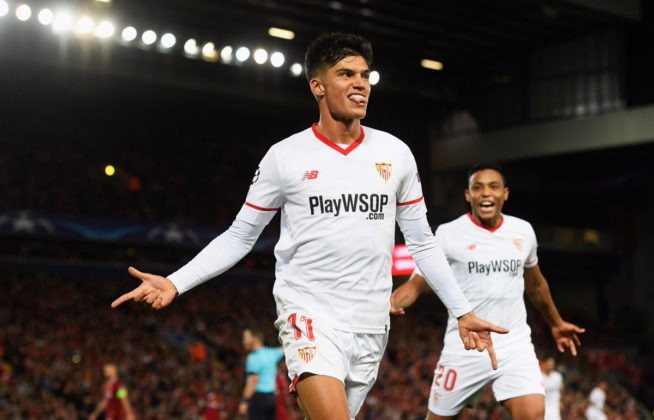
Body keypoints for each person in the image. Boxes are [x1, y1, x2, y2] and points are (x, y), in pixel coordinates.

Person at [111, 33, 506, 420]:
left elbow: (422, 242)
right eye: (346, 74)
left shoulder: (396, 153)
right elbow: (240, 236)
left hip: (371, 324)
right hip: (309, 316)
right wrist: (176, 281)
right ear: (318, 86)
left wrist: (462, 311)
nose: (360, 84)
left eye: (364, 75)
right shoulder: (285, 157)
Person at [390, 163, 585, 419]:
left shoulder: (523, 231)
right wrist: (394, 301)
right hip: (466, 346)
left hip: (514, 344)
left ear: (505, 193)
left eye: (493, 187)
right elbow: (419, 282)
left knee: (534, 413)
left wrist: (556, 323)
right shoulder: (448, 234)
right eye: (478, 187)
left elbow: (536, 285)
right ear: (468, 195)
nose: (486, 193)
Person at [238, 328, 284, 419]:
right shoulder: (272, 353)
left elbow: (253, 381)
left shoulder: (253, 357)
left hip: (258, 399)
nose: (243, 341)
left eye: (246, 338)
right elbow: (285, 348)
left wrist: (244, 401)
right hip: (272, 398)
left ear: (255, 339)